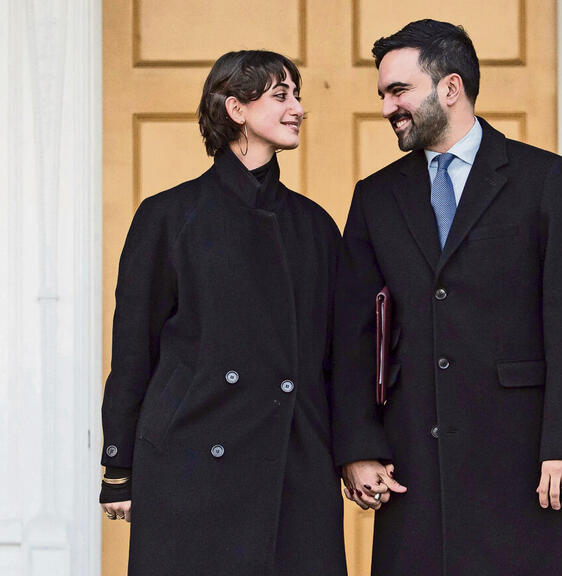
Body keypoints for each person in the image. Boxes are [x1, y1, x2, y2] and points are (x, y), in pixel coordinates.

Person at [332, 20, 562, 576]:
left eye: (398, 91)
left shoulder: (546, 179)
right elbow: (353, 332)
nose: (387, 107)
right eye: (383, 94)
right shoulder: (375, 196)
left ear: (449, 88)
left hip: (523, 455)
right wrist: (359, 445)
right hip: (413, 459)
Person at [99, 50, 347, 576]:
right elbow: (133, 348)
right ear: (236, 108)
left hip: (293, 463)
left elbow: (338, 357)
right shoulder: (168, 216)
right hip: (189, 463)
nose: (298, 107)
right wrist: (119, 466)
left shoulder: (315, 227)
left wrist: (353, 450)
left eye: (297, 96)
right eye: (281, 96)